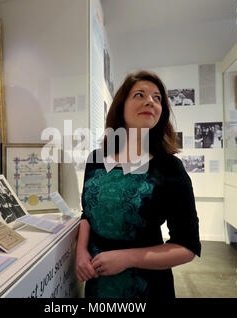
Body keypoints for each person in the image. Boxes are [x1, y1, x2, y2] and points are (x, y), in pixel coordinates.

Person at [75, 70, 201, 298]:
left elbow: (187, 247)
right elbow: (87, 214)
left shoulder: (169, 169)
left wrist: (127, 258)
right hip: (96, 283)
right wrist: (81, 251)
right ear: (121, 107)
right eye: (140, 95)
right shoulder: (96, 159)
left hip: (147, 287)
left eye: (157, 98)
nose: (150, 102)